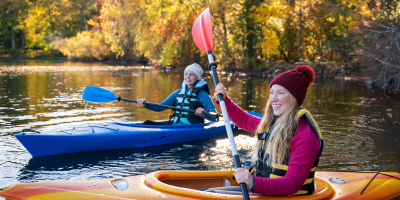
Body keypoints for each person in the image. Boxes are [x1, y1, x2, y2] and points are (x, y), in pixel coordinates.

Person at [206, 65, 323, 196]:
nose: (273, 98)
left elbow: (292, 184)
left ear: (295, 98)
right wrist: (224, 100)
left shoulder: (305, 134)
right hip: (264, 191)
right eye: (272, 92)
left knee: (207, 196)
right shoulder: (275, 123)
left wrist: (252, 181)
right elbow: (244, 120)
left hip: (283, 196)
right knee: (209, 192)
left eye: (281, 93)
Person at [137, 63, 217, 125]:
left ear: (197, 78)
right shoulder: (178, 93)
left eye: (191, 75)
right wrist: (145, 104)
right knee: (147, 123)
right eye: (186, 74)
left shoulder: (202, 94)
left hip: (192, 128)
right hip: (176, 125)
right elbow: (159, 107)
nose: (187, 77)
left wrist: (203, 113)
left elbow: (214, 117)